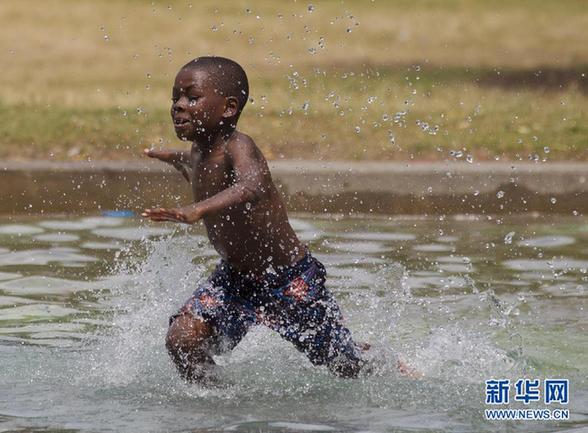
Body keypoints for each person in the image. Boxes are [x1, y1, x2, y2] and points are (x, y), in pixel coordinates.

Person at [142, 56, 406, 382]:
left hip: (287, 279)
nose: (178, 107)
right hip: (235, 279)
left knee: (343, 364)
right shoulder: (198, 151)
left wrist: (196, 210)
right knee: (183, 339)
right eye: (175, 99)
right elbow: (195, 163)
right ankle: (218, 400)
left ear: (228, 108)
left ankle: (387, 363)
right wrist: (167, 156)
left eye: (191, 98)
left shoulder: (238, 147)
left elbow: (250, 186)